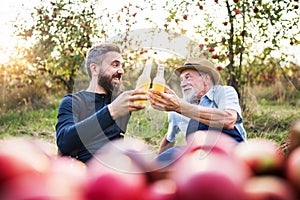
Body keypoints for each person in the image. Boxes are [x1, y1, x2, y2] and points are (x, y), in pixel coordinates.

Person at [55, 43, 148, 163]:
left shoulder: (120, 102)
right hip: (82, 175)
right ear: (95, 69)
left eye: (121, 66)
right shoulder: (73, 102)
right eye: (115, 65)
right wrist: (111, 112)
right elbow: (64, 141)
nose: (121, 71)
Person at [149, 57, 247, 163]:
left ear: (206, 78)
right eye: (182, 80)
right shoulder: (177, 108)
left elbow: (228, 120)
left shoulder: (223, 92)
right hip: (199, 159)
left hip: (231, 156)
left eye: (188, 77)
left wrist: (180, 107)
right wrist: (157, 163)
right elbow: (169, 138)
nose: (183, 84)